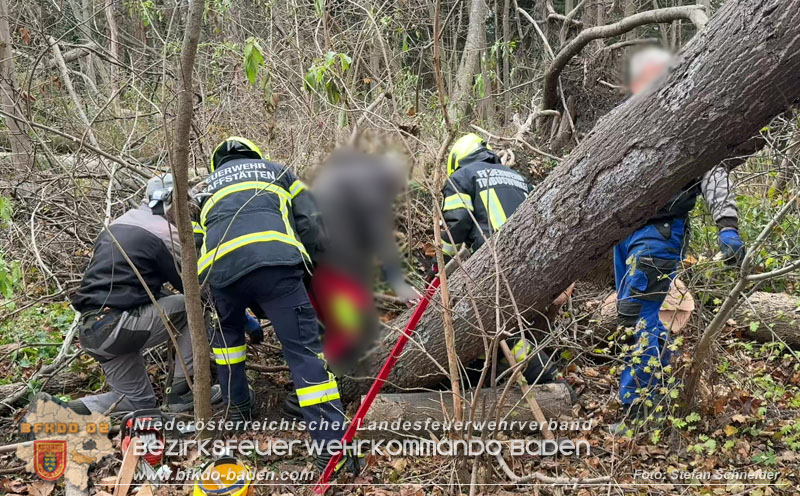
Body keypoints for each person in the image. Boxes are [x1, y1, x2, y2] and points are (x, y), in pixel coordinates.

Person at [195, 137, 354, 471]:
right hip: (278, 268)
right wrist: (308, 268)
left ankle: (238, 409)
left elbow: (196, 240)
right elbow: (310, 221)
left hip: (221, 274)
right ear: (254, 153)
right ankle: (331, 450)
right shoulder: (278, 171)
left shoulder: (205, 187)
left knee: (228, 345)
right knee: (303, 354)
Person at [613, 47, 745, 425]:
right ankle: (642, 396)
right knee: (634, 318)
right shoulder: (625, 120)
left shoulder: (693, 124)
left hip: (658, 234)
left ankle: (640, 406)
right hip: (623, 235)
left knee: (651, 318)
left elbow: (715, 174)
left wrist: (728, 227)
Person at [70, 174, 220, 414]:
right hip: (118, 325)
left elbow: (132, 284)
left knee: (137, 403)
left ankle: (54, 411)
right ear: (174, 203)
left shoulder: (119, 224)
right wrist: (245, 321)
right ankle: (183, 391)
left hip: (92, 331)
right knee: (192, 306)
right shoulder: (163, 232)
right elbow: (195, 291)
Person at [439, 134, 560, 386]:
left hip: (495, 266)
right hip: (535, 264)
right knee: (505, 329)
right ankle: (490, 379)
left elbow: (456, 225)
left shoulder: (462, 177)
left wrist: (438, 266)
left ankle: (550, 382)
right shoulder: (518, 178)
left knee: (502, 332)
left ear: (457, 160)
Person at [308, 147, 418, 375]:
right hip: (335, 268)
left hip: (315, 266)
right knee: (351, 329)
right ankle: (314, 391)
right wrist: (398, 283)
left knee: (336, 329)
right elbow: (379, 234)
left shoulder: (345, 174)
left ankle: (320, 382)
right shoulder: (369, 182)